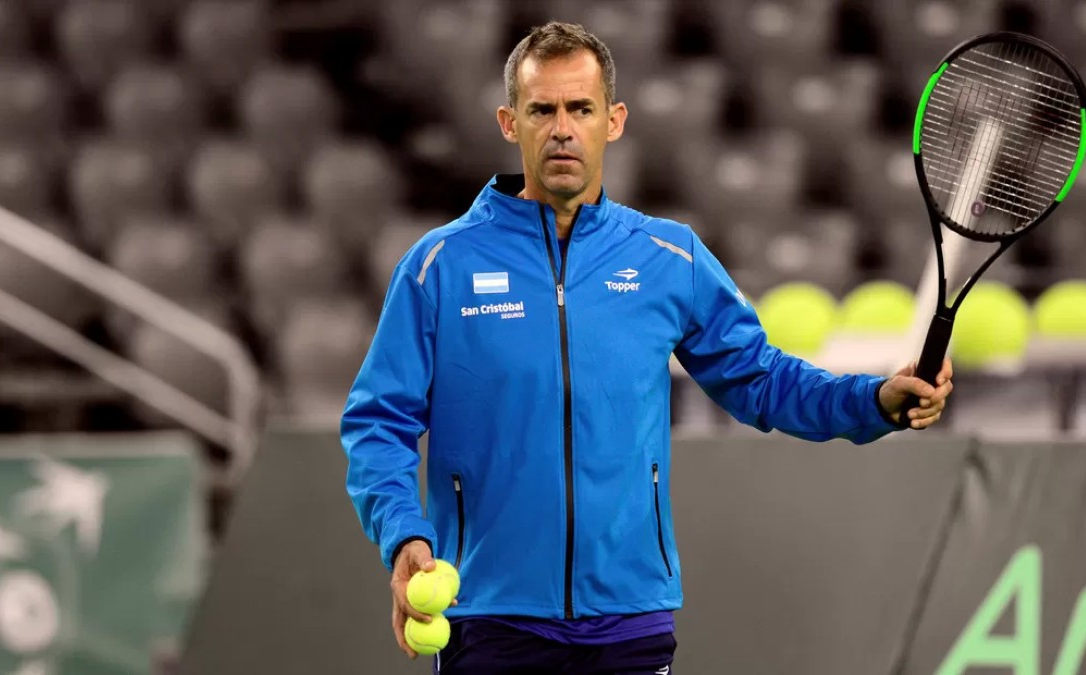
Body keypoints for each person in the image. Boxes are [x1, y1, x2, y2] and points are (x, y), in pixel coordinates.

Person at [341, 21, 954, 674]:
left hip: (629, 617)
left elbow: (762, 379)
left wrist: (874, 400)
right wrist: (404, 534)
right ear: (508, 123)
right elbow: (378, 422)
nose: (562, 129)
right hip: (491, 616)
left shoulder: (669, 257)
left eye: (581, 109)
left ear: (614, 121)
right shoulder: (438, 265)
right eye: (542, 110)